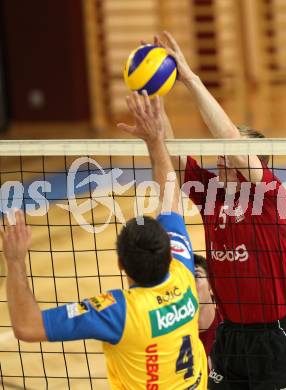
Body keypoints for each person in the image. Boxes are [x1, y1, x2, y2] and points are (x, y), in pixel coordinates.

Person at [1, 91, 207, 390]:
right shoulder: (184, 274)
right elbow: (170, 197)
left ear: (122, 264)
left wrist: (15, 259)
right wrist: (155, 140)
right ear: (168, 253)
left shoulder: (119, 312)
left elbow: (27, 326)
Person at [155, 31, 286, 389]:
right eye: (219, 148)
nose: (220, 155)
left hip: (273, 338)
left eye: (227, 148)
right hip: (229, 335)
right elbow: (171, 151)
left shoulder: (271, 197)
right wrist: (155, 101)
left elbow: (237, 149)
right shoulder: (212, 195)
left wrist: (190, 79)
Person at [194, 253, 221, 358]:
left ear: (211, 284)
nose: (189, 284)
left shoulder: (231, 326)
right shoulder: (172, 335)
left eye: (196, 276)